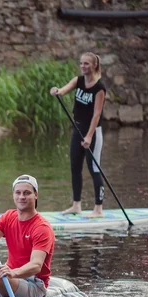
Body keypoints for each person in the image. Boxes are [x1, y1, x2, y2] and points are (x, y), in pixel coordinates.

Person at [50, 52, 106, 218]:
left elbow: (96, 115)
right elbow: (64, 90)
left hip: (93, 132)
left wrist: (88, 137)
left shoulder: (99, 88)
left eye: (86, 64)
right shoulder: (78, 80)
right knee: (75, 168)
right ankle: (76, 206)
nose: (83, 66)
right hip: (77, 129)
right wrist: (57, 91)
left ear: (94, 65)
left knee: (94, 169)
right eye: (81, 63)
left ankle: (98, 209)